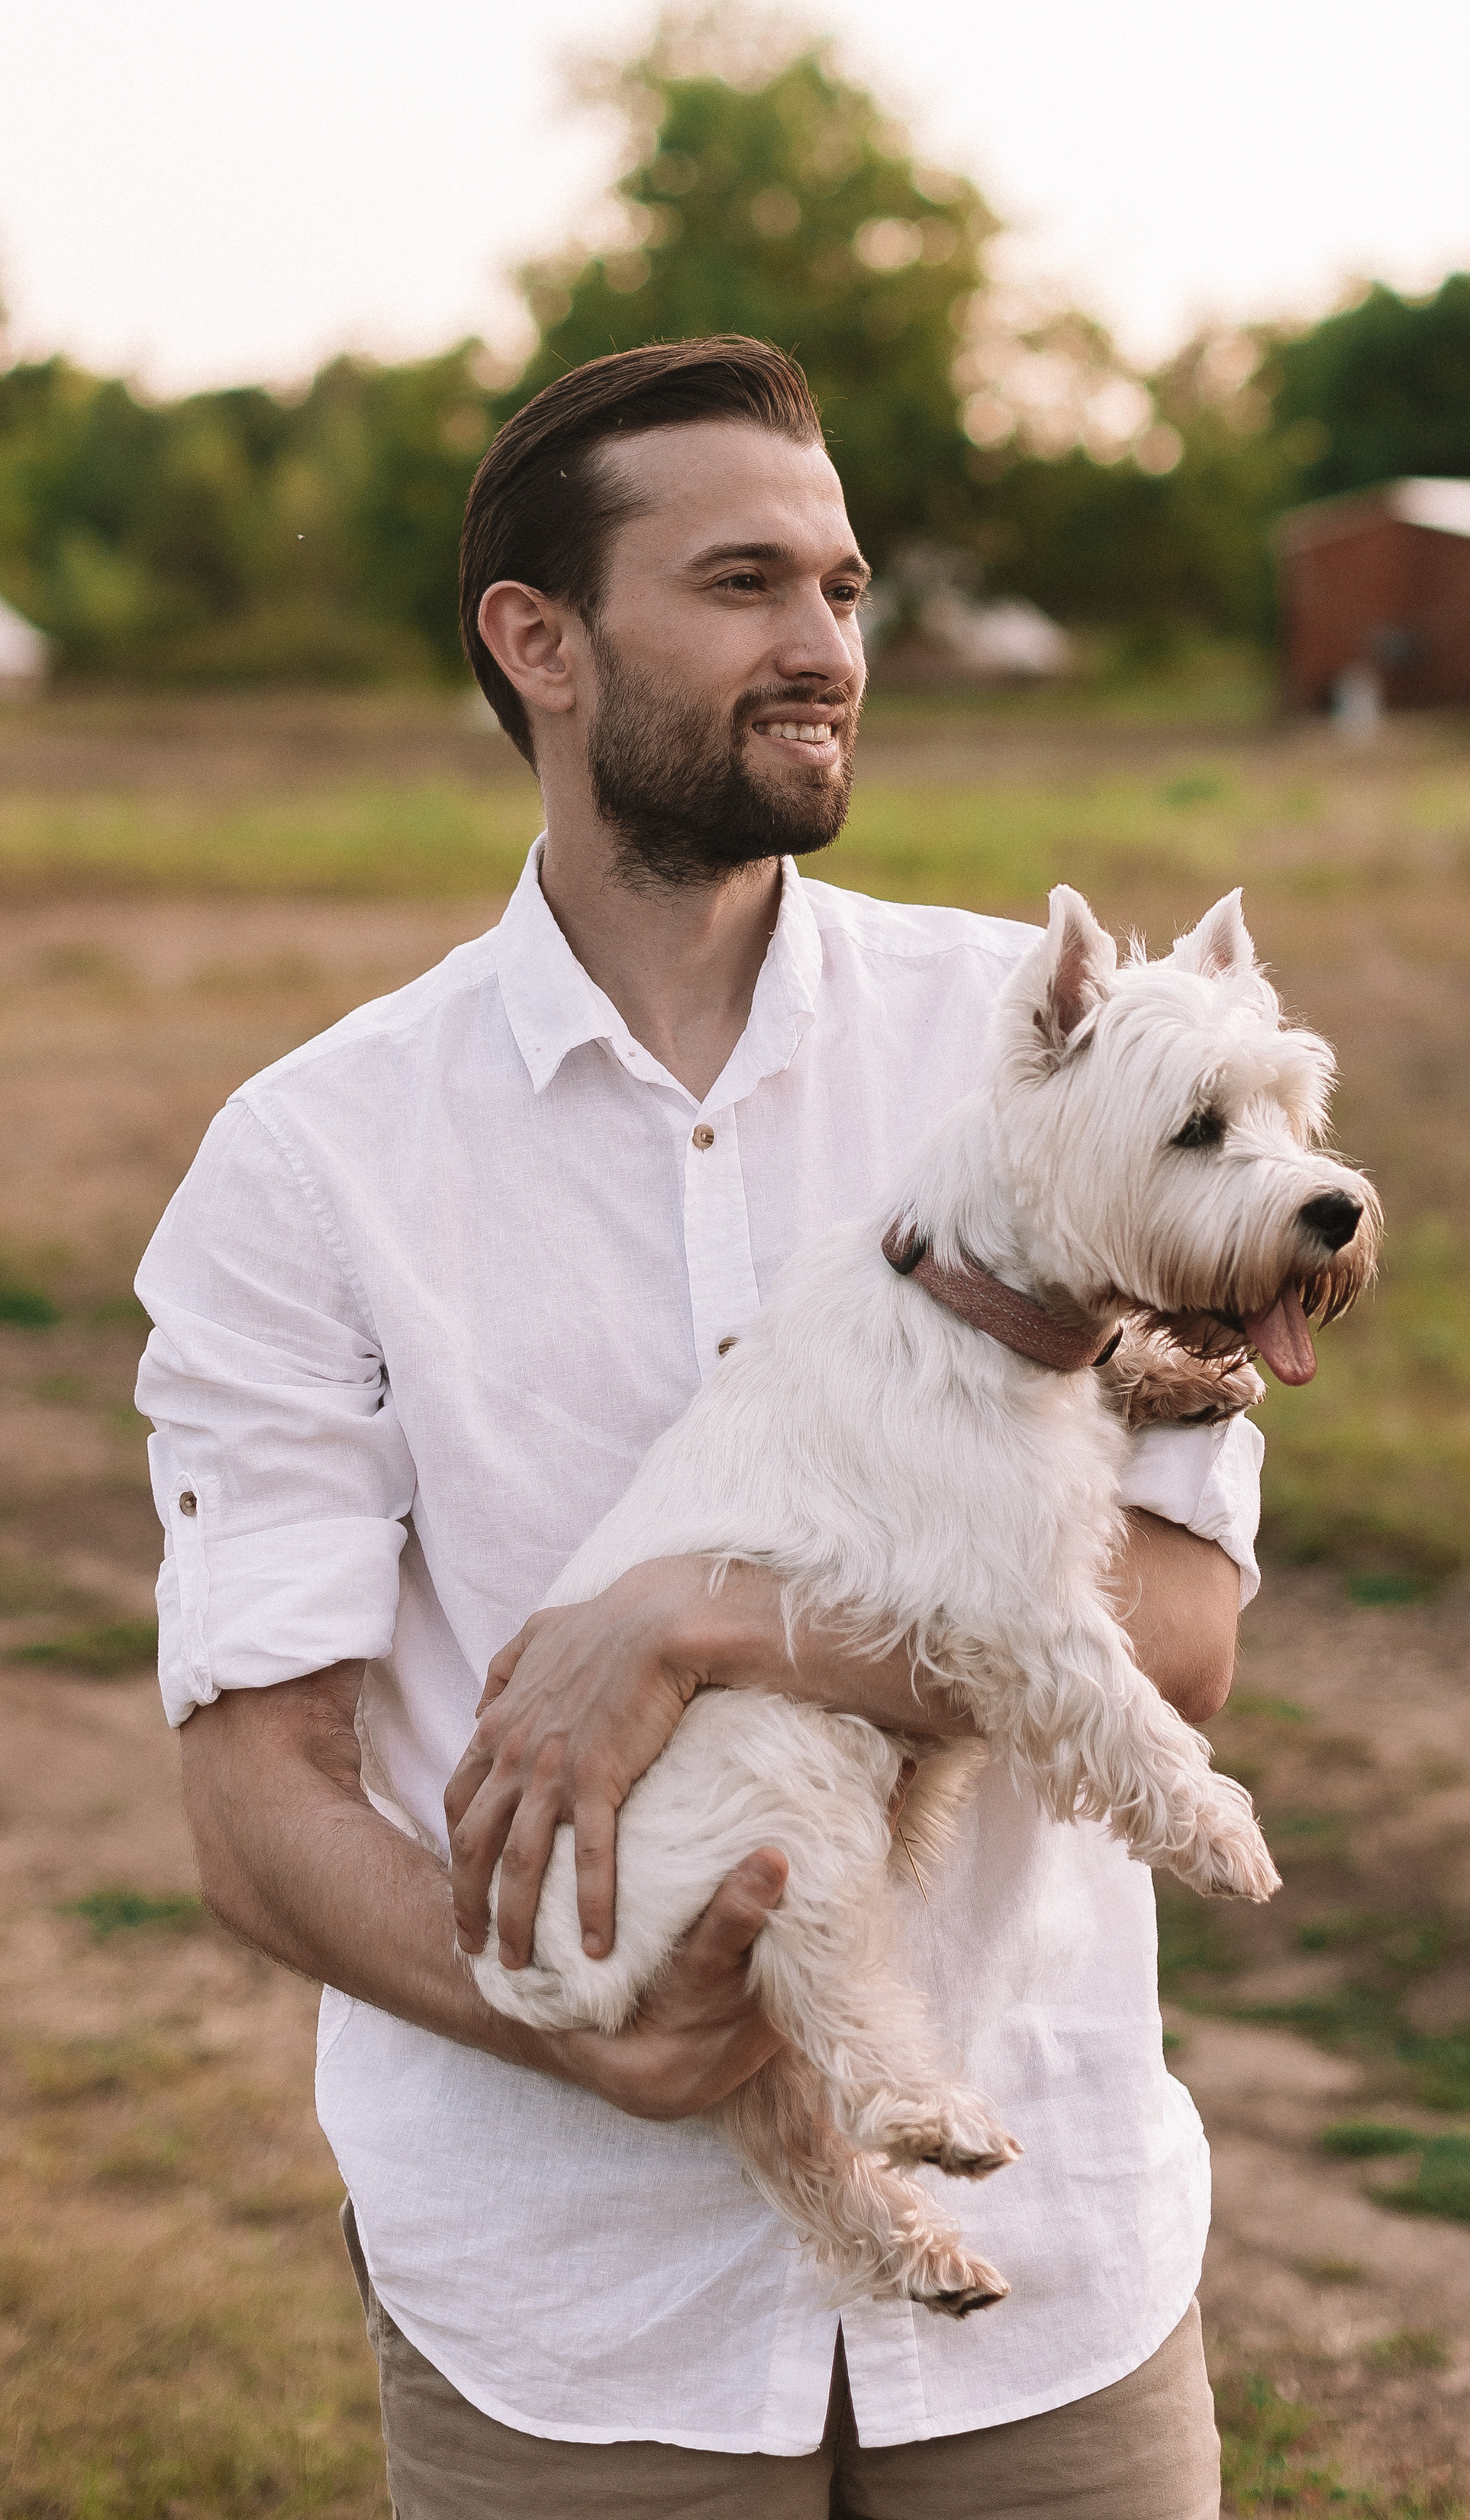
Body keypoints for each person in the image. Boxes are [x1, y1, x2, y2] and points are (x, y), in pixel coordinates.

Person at [136, 336, 1267, 2520]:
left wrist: (694, 1617)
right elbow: (252, 1797)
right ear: (536, 641)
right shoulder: (310, 1162)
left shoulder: (1057, 1054)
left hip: (1050, 2267)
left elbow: (1173, 1639)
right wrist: (563, 2022)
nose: (826, 646)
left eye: (842, 589)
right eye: (746, 583)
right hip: (565, 2300)